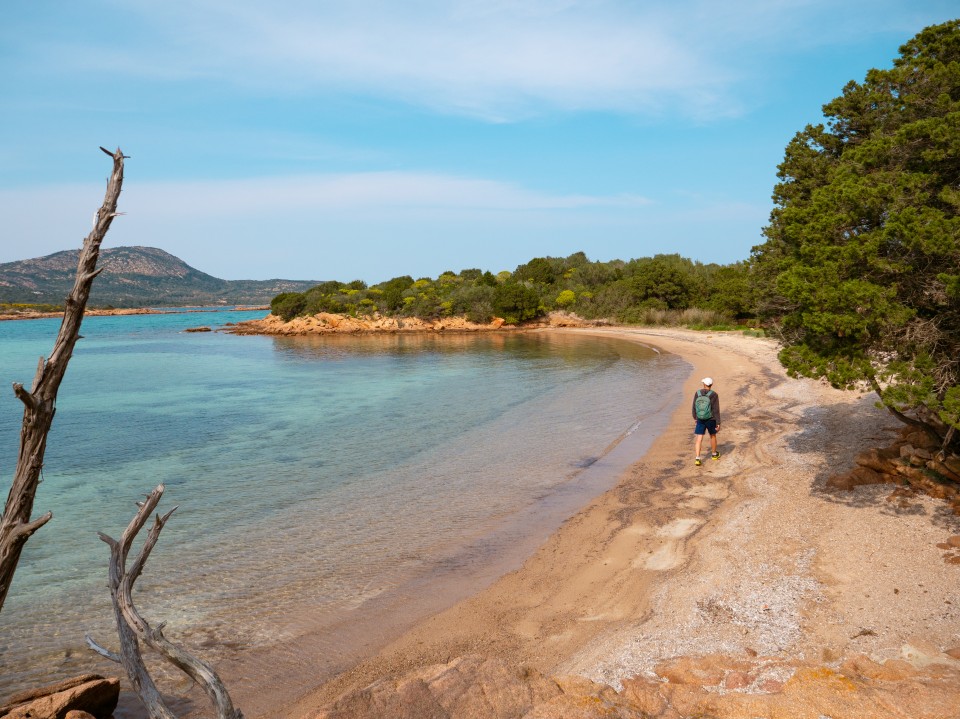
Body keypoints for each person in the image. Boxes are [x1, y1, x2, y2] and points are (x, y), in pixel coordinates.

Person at [692, 377, 721, 466]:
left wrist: (696, 418)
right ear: (711, 385)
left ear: (704, 384)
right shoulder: (714, 394)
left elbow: (694, 407)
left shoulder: (697, 393)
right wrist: (718, 423)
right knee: (712, 436)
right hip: (711, 419)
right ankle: (714, 454)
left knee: (699, 438)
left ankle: (697, 458)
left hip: (700, 418)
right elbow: (716, 410)